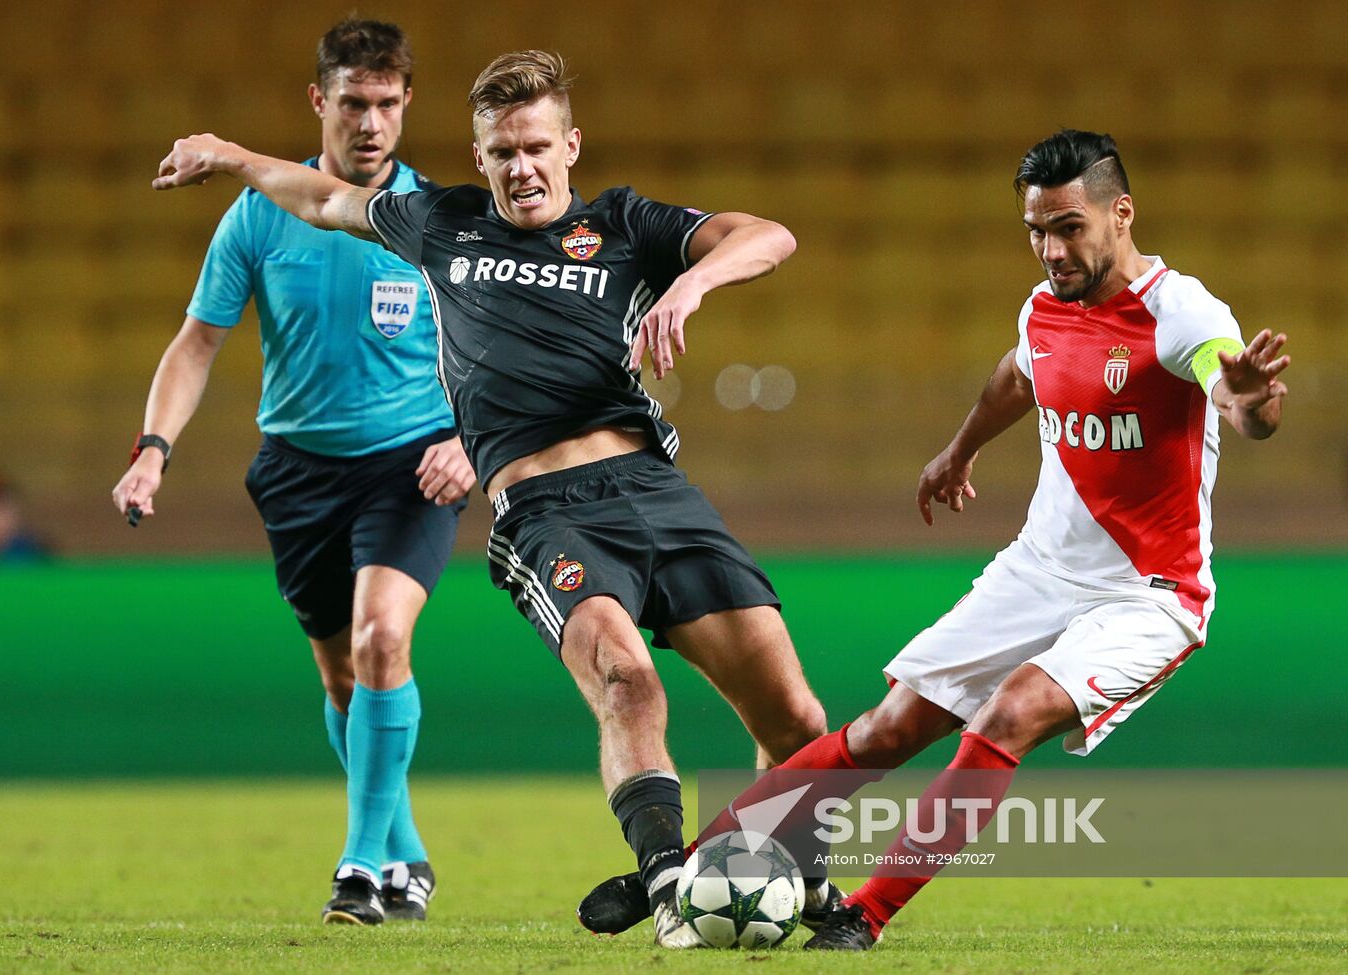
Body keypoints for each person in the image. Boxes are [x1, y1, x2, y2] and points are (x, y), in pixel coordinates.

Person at [151, 49, 833, 947]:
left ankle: (782, 881)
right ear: (480, 159)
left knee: (800, 720)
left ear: (570, 146)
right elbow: (320, 199)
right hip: (545, 509)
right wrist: (232, 156)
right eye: (503, 152)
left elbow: (770, 235)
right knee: (625, 678)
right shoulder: (441, 224)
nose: (521, 167)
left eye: (537, 147)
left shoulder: (626, 224)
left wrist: (694, 281)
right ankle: (674, 885)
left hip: (656, 490)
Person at [586, 128, 1292, 950]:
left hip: (1148, 594)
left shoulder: (1182, 313)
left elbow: (1242, 403)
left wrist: (1249, 400)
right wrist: (960, 449)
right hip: (1038, 571)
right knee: (888, 727)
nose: (1051, 249)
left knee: (1009, 713)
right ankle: (678, 869)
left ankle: (864, 913)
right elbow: (1016, 374)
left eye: (1069, 227)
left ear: (1120, 213)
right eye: (1036, 229)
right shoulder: (1044, 308)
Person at [112, 18, 474, 926]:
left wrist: (470, 440)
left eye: (388, 103)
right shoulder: (258, 214)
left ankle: (358, 866)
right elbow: (197, 343)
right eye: (354, 102)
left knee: (382, 640)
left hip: (410, 464)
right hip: (298, 472)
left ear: (406, 106)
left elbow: (496, 352)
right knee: (344, 680)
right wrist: (152, 452)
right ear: (321, 101)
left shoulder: (436, 220)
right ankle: (405, 851)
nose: (371, 122)